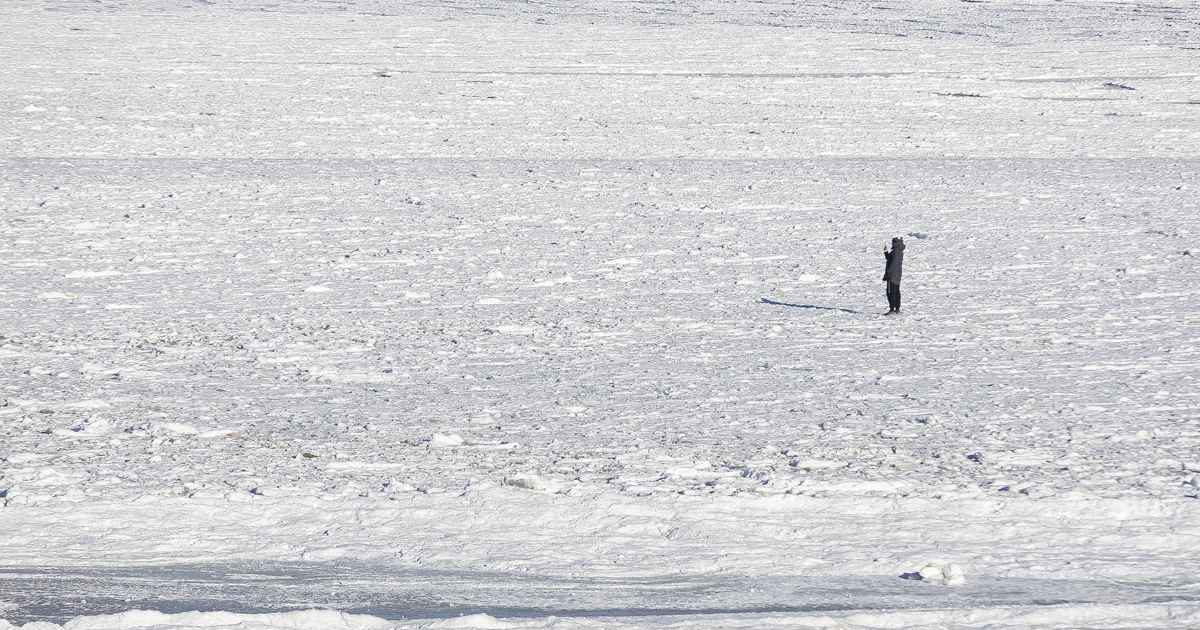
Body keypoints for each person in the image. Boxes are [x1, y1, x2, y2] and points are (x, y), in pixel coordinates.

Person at [883, 236, 904, 315]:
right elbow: (891, 259)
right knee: (896, 292)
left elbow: (894, 263)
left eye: (892, 242)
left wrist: (888, 271)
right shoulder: (899, 251)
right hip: (897, 275)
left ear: (896, 243)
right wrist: (886, 253)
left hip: (892, 275)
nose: (891, 243)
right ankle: (897, 309)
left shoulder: (895, 251)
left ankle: (892, 309)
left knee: (890, 293)